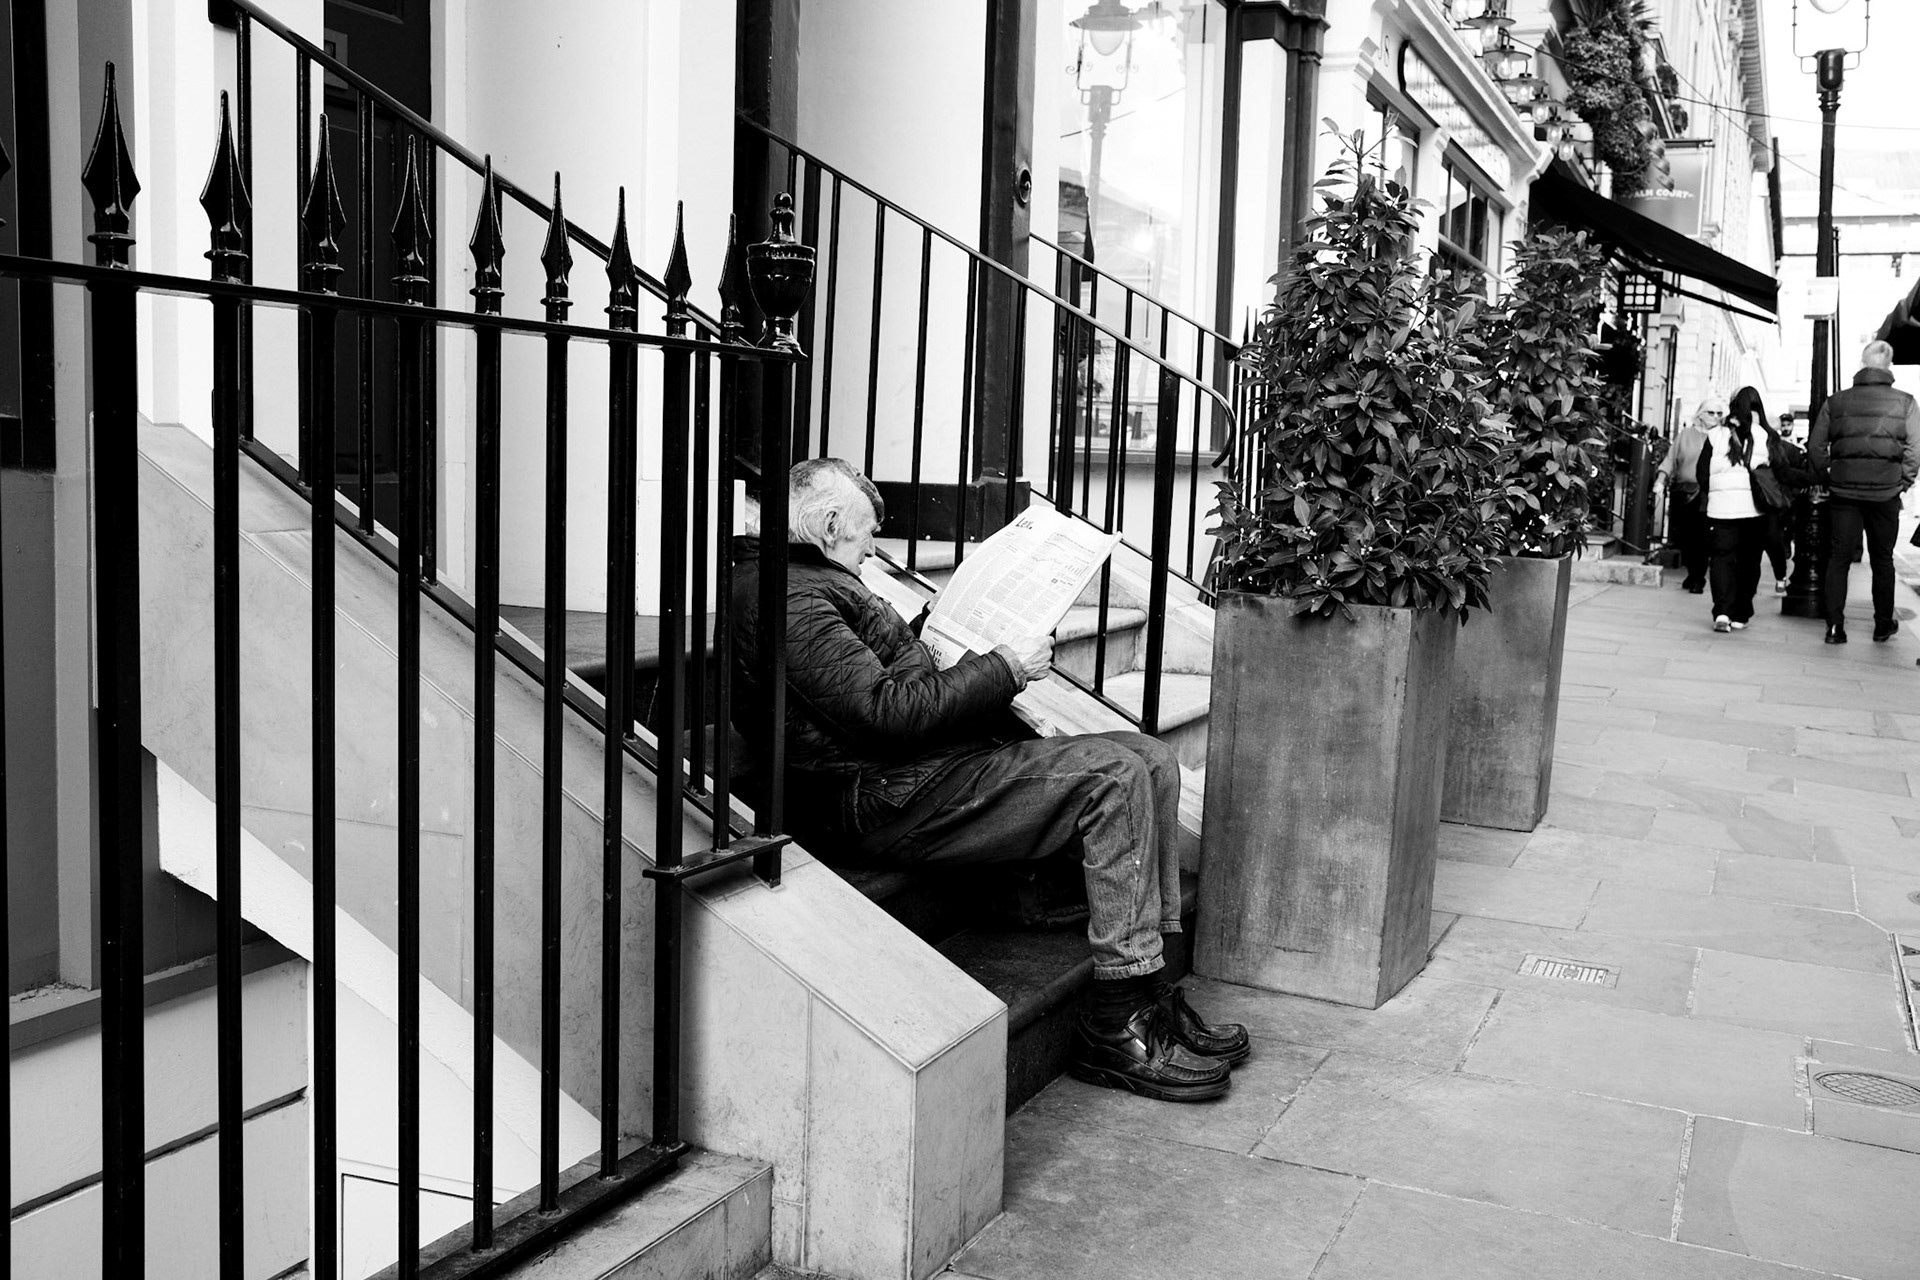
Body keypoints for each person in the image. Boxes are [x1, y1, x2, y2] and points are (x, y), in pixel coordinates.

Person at [729, 458, 1247, 1103]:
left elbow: (866, 682)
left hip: (920, 771)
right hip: (888, 796)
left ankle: (1151, 988)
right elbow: (884, 714)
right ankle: (1117, 1019)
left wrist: (939, 634)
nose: (873, 546)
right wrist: (1002, 667)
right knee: (1114, 777)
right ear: (830, 526)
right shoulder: (787, 597)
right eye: (865, 532)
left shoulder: (807, 581)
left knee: (1151, 758)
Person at [1808, 340, 1920, 644]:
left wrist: (1829, 476)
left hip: (1844, 492)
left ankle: (1834, 627)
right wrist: (1902, 482)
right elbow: (1914, 450)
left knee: (1839, 559)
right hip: (1886, 493)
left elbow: (1816, 447)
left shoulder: (1836, 402)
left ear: (1862, 364)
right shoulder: (1906, 403)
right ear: (1889, 367)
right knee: (1882, 560)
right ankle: (1882, 624)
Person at [1697, 389, 1802, 632]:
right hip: (1753, 511)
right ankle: (1741, 613)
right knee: (1749, 562)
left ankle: (1722, 612)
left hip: (1721, 511)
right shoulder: (1764, 435)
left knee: (1721, 560)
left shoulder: (1715, 435)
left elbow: (1702, 474)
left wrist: (1717, 493)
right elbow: (1782, 472)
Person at [1656, 406, 1713, 593]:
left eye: (1719, 413)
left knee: (1702, 538)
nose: (1716, 417)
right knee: (1685, 537)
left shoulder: (1720, 436)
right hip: (1684, 493)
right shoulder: (1686, 434)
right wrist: (1660, 480)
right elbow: (1670, 459)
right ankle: (1691, 572)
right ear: (1701, 414)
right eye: (1711, 412)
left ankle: (1698, 578)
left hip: (1707, 494)